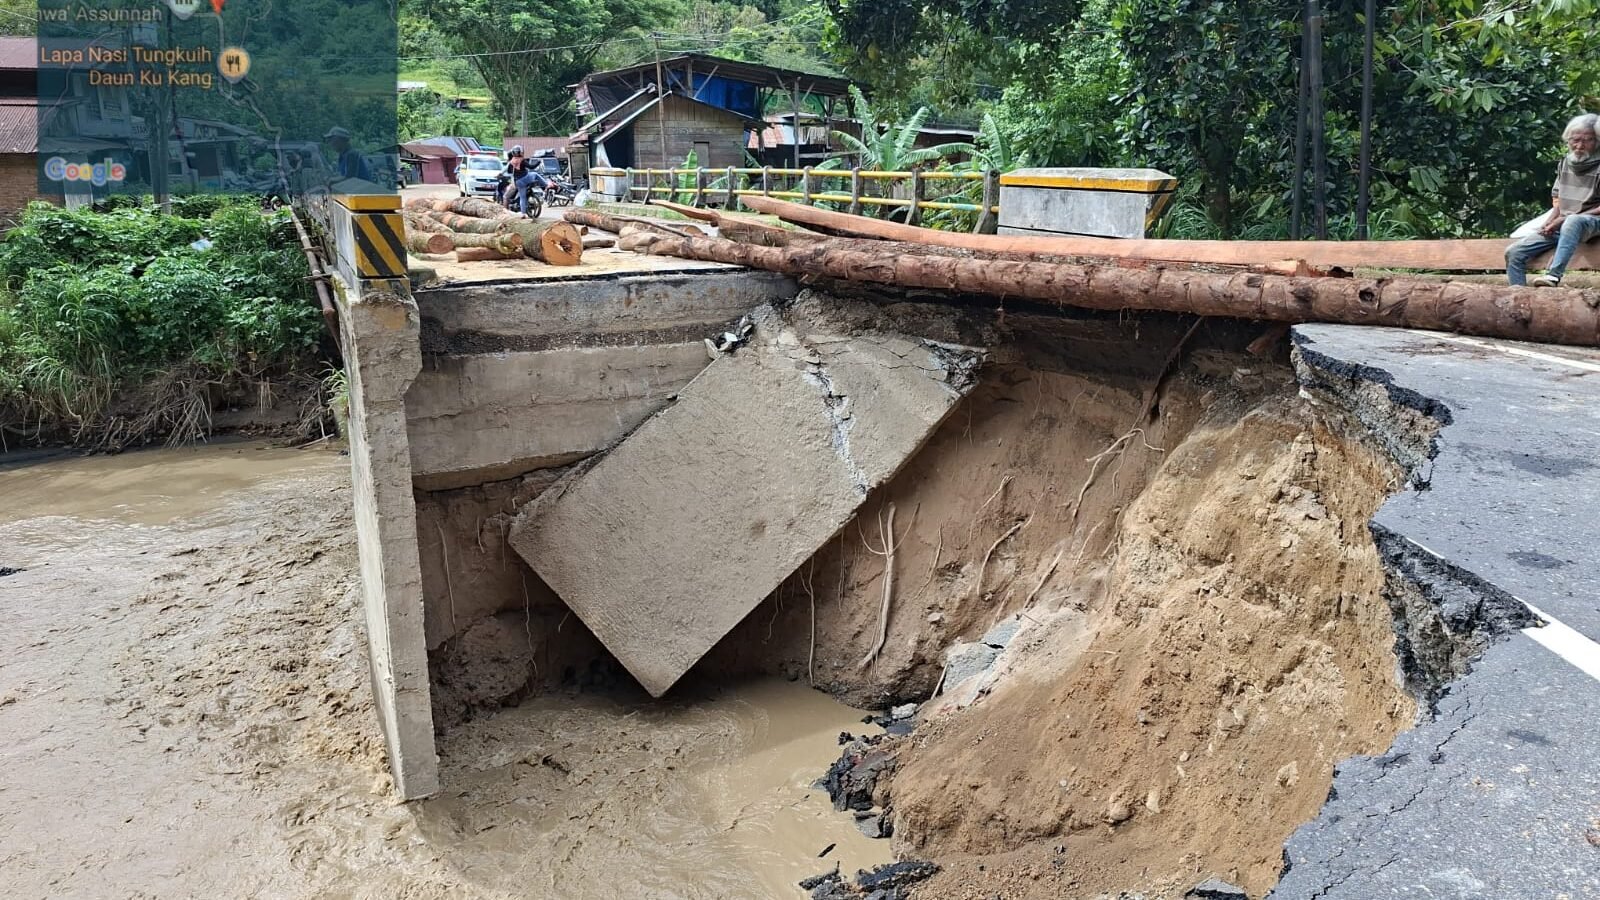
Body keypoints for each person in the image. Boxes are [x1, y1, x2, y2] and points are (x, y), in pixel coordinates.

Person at [1506, 113, 1600, 286]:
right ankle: (1517, 294)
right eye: (1575, 140)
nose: (1580, 146)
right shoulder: (1565, 163)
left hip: (1591, 222)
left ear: (1597, 141)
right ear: (1568, 140)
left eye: (1587, 140)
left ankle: (1553, 276)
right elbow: (1559, 200)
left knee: (1573, 221)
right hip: (1565, 224)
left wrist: (1563, 219)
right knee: (1514, 252)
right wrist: (1549, 223)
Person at [501, 145, 548, 217]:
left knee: (522, 198)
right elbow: (532, 167)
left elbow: (509, 171)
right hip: (526, 178)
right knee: (535, 174)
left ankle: (523, 213)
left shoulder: (511, 162)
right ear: (521, 152)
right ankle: (546, 185)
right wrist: (538, 162)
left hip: (518, 181)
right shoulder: (522, 160)